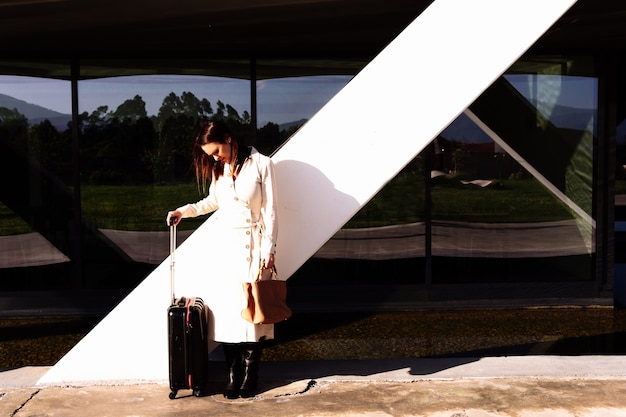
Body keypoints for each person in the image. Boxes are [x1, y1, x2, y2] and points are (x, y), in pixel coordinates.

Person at [166, 119, 278, 399]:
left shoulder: (262, 164)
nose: (214, 157)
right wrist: (184, 211)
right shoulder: (219, 170)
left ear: (228, 139)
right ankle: (234, 375)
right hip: (225, 249)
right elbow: (211, 202)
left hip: (253, 247)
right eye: (210, 154)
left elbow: (272, 211)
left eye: (216, 151)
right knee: (228, 314)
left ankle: (251, 376)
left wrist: (270, 250)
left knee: (252, 314)